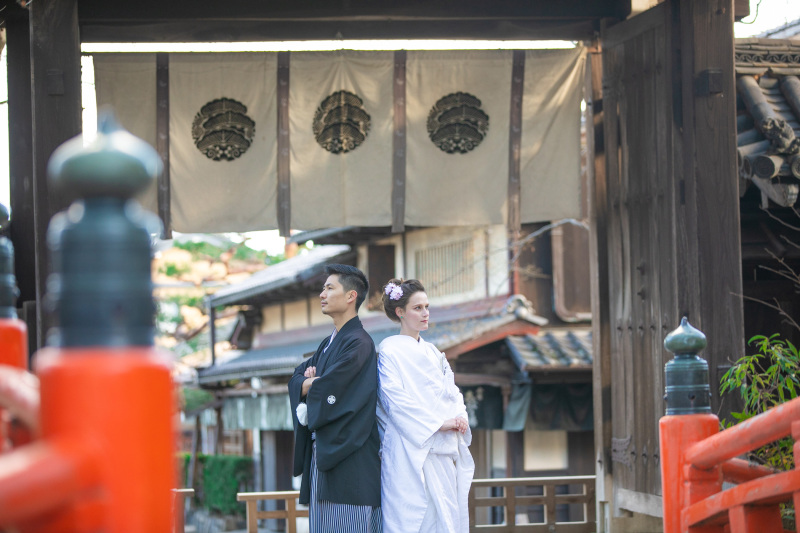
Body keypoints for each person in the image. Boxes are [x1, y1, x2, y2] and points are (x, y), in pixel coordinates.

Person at [288, 264, 382, 532]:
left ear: (351, 296)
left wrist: (313, 383)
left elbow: (329, 387)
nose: (322, 293)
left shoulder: (359, 342)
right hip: (327, 453)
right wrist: (311, 382)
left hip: (350, 455)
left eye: (330, 288)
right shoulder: (330, 342)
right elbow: (295, 379)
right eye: (323, 288)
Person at [377, 278, 475, 533]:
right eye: (417, 308)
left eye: (427, 306)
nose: (425, 313)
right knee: (412, 518)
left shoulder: (433, 352)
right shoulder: (389, 350)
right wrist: (438, 423)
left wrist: (459, 417)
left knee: (444, 517)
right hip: (409, 446)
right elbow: (394, 399)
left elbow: (452, 392)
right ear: (400, 312)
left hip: (441, 448)